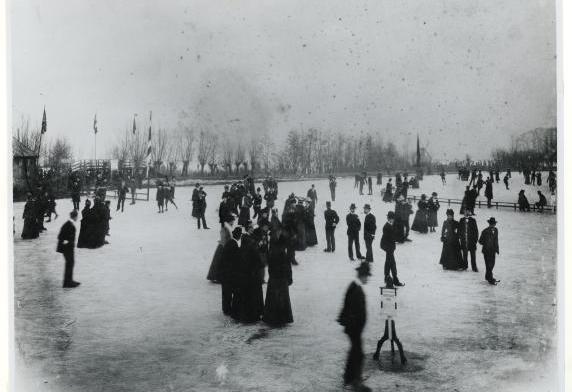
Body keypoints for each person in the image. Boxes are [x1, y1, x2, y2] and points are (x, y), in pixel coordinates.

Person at [338, 262, 371, 391]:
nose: (367, 278)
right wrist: (356, 326)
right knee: (358, 353)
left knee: (355, 351)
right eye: (366, 276)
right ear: (362, 275)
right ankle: (355, 380)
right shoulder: (356, 289)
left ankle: (349, 377)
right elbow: (354, 311)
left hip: (353, 328)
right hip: (354, 328)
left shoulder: (354, 286)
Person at [263, 228, 294, 326]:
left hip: (273, 279)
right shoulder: (284, 254)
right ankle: (281, 318)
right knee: (282, 299)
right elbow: (287, 268)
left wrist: (271, 275)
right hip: (282, 280)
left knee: (272, 298)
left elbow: (269, 266)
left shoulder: (272, 251)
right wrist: (289, 279)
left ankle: (271, 317)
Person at [236, 222, 265, 323]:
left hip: (248, 270)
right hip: (251, 271)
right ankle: (253, 313)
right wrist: (258, 245)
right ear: (248, 229)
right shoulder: (248, 239)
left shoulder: (247, 238)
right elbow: (253, 252)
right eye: (251, 228)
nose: (252, 229)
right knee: (253, 292)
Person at [220, 227, 243, 316]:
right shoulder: (233, 244)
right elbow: (235, 258)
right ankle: (227, 310)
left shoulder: (230, 242)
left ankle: (226, 309)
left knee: (226, 292)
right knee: (228, 292)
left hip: (225, 272)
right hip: (228, 273)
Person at [57, 210, 80, 288]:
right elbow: (60, 236)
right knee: (69, 263)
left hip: (68, 247)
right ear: (74, 216)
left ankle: (69, 281)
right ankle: (67, 283)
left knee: (70, 263)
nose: (77, 218)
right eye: (77, 216)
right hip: (67, 248)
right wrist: (66, 242)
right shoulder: (68, 225)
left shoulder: (69, 224)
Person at [380, 211, 404, 286]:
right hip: (387, 247)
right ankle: (394, 280)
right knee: (392, 263)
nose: (392, 220)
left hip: (390, 247)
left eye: (393, 218)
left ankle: (388, 278)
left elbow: (396, 234)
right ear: (388, 218)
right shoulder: (386, 226)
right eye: (390, 218)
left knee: (389, 263)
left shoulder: (393, 225)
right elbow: (391, 237)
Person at [479, 217, 500, 285]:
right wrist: (486, 243)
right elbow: (480, 241)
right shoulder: (485, 231)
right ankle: (490, 279)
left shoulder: (496, 230)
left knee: (492, 264)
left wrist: (497, 249)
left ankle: (488, 276)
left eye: (493, 224)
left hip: (493, 250)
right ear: (489, 224)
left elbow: (496, 240)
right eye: (491, 224)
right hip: (486, 251)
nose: (493, 225)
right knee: (488, 265)